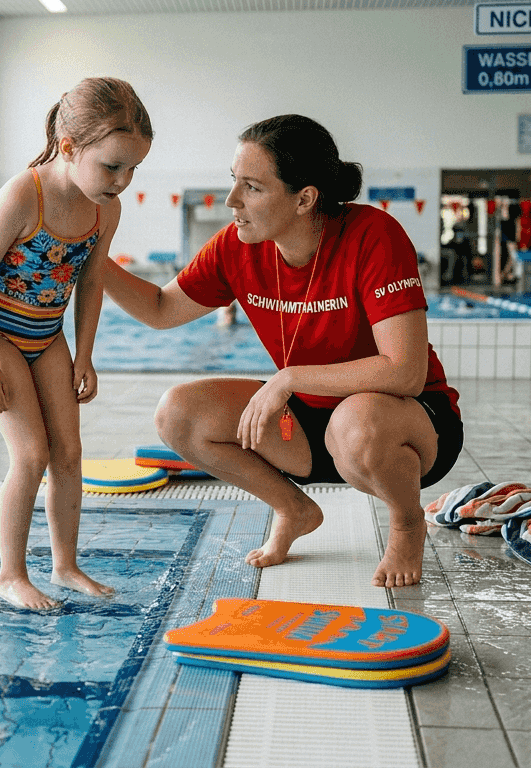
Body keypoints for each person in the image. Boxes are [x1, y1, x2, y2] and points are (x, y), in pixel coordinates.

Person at [101, 114, 462, 588]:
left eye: (251, 187)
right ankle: (293, 508)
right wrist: (94, 258)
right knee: (178, 413)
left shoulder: (373, 235)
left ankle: (407, 523)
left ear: (304, 198)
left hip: (405, 424)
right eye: (234, 181)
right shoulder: (237, 246)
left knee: (355, 422)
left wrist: (289, 378)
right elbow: (161, 309)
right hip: (311, 426)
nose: (231, 200)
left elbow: (405, 372)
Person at [0, 76, 153, 610]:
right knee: (31, 454)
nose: (122, 181)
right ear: (69, 148)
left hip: (48, 337)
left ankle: (65, 565)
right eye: (112, 166)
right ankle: (10, 575)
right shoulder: (24, 195)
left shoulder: (105, 208)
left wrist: (84, 354)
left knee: (69, 452)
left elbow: (91, 281)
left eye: (133, 169)